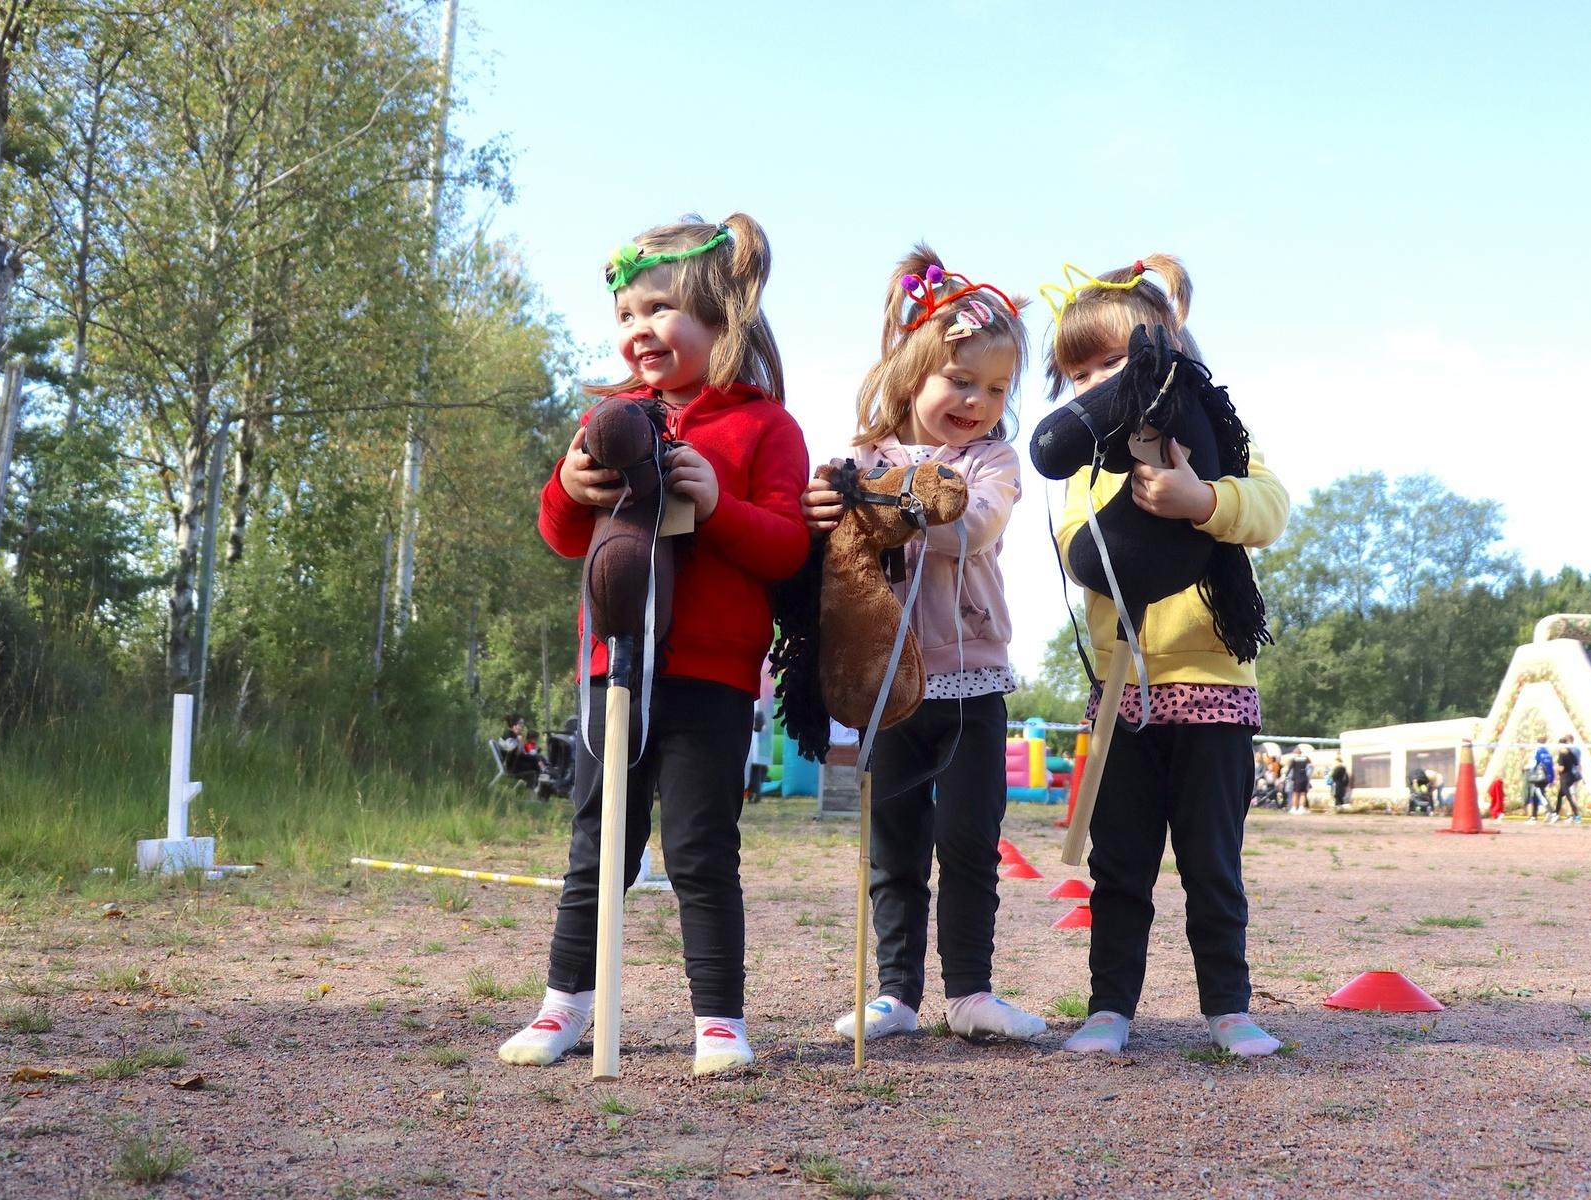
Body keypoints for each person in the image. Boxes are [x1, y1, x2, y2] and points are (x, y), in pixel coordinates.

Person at [499, 214, 809, 1076]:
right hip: (612, 667)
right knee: (598, 842)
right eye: (626, 314)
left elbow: (786, 547)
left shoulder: (762, 429)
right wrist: (567, 485)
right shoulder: (609, 420)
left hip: (711, 675)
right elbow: (563, 536)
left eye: (661, 309)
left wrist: (717, 502)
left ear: (723, 319)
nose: (639, 330)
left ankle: (719, 1019)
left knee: (703, 850)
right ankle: (566, 1007)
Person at [1044, 254, 1290, 1059]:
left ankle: (1228, 1005)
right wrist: (1132, 491)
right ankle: (1111, 1006)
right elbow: (1080, 546)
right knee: (1119, 865)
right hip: (1122, 694)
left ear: (1164, 353)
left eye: (1113, 361)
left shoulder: (1215, 436)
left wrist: (1203, 501)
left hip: (1213, 685)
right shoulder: (1083, 470)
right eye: (1077, 371)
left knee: (1212, 864)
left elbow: (1269, 508)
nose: (1096, 381)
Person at [801, 246, 1043, 1045]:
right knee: (893, 842)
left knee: (969, 839)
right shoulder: (857, 460)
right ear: (911, 372)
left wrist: (889, 508)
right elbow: (834, 550)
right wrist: (828, 510)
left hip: (972, 680)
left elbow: (971, 525)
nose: (978, 402)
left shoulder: (993, 462)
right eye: (961, 381)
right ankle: (895, 993)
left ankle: (970, 990)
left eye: (999, 388)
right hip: (887, 682)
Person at [1549, 734, 1582, 824]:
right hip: (1571, 777)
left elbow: (1561, 768)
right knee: (1560, 796)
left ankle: (1576, 815)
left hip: (1565, 777)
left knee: (1569, 797)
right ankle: (1556, 814)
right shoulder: (1571, 752)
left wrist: (1555, 769)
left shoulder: (1562, 754)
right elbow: (1576, 763)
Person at [1525, 744, 1554, 821]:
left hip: (1538, 777)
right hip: (1546, 777)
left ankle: (1551, 812)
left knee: (1540, 795)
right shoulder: (1548, 753)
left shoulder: (1537, 752)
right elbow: (1551, 766)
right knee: (1536, 795)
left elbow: (1534, 764)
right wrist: (1551, 778)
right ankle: (1535, 816)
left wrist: (1526, 767)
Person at [1285, 744, 1314, 814]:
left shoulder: (1294, 760)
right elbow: (1311, 766)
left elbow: (1289, 770)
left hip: (1297, 779)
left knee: (1295, 793)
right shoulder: (1306, 759)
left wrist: (1286, 776)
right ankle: (1301, 808)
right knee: (1303, 794)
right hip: (1304, 778)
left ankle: (1294, 807)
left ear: (1295, 753)